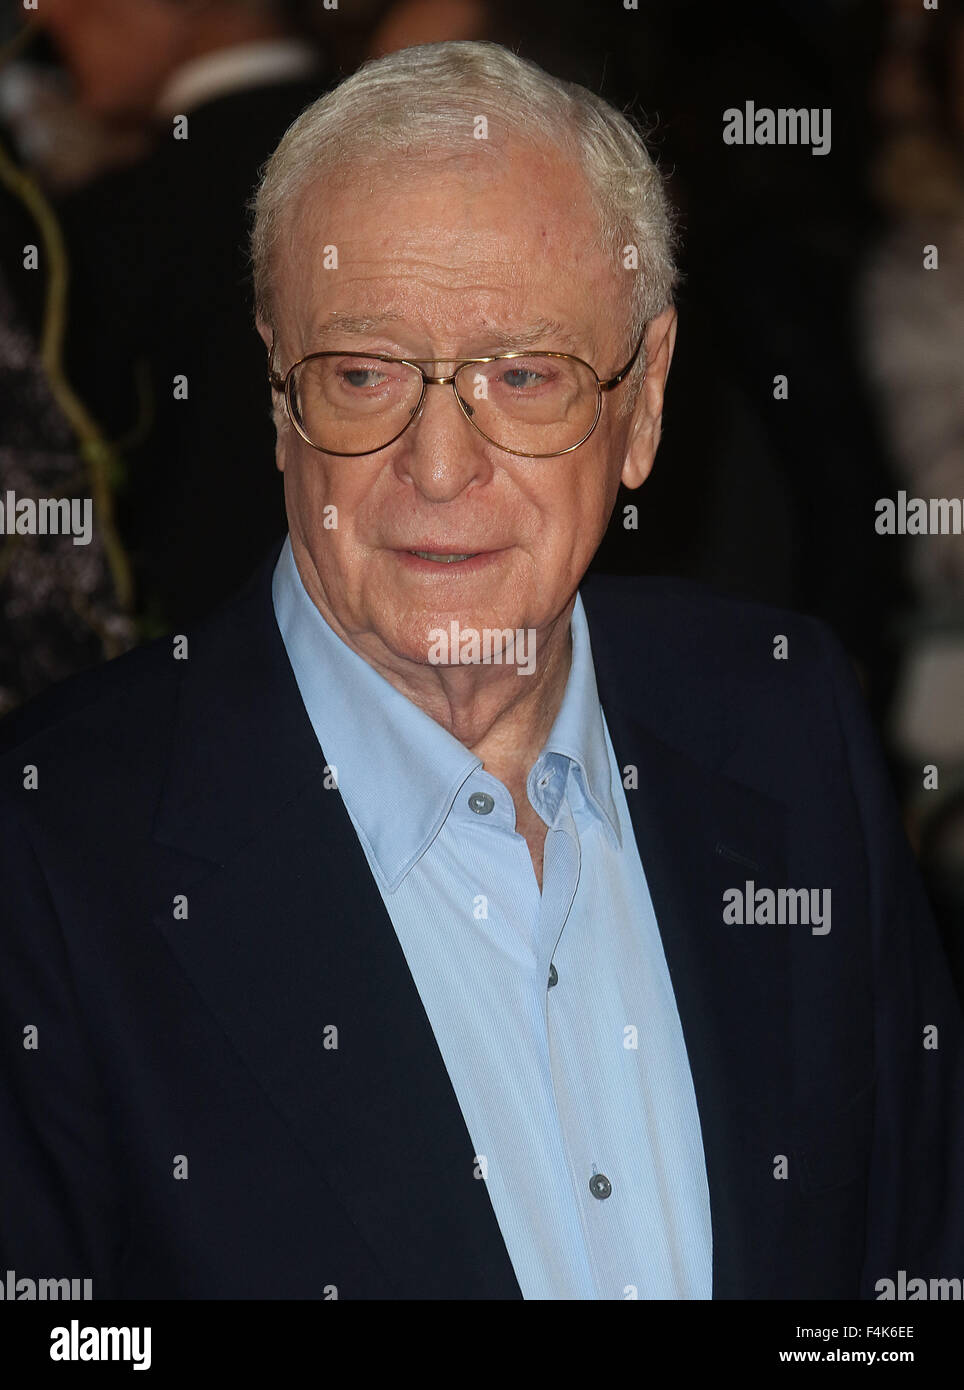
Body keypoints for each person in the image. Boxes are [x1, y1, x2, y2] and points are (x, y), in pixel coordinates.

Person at [1, 40, 961, 1301]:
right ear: (275, 396)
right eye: (362, 374)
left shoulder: (783, 717)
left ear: (646, 402)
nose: (440, 466)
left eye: (522, 376)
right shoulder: (54, 851)